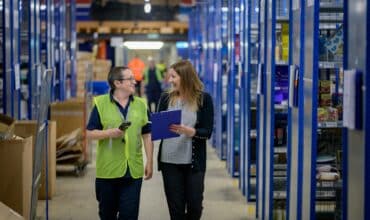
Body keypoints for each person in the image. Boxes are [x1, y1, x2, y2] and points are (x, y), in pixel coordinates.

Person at [86, 66, 153, 220]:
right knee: (107, 215)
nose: (134, 82)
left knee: (129, 215)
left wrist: (149, 161)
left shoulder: (141, 104)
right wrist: (109, 133)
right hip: (108, 170)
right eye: (130, 79)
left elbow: (147, 134)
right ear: (117, 83)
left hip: (133, 170)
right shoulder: (100, 103)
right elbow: (89, 134)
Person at [156, 60, 214, 220]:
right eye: (169, 76)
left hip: (193, 163)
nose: (170, 80)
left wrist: (192, 131)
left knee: (195, 207)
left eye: (173, 76)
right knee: (176, 209)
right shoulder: (165, 98)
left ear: (185, 77)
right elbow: (158, 127)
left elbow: (207, 131)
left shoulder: (204, 99)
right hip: (169, 161)